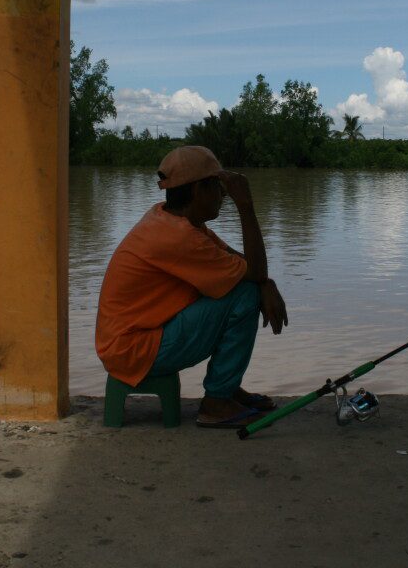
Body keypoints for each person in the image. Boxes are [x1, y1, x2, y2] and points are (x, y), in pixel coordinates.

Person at [95, 145, 289, 428]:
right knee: (246, 294)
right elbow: (254, 272)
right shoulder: (178, 237)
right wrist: (245, 206)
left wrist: (266, 282)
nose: (224, 196)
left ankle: (227, 387)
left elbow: (246, 266)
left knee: (246, 286)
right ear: (199, 191)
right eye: (219, 188)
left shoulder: (172, 221)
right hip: (133, 350)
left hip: (132, 342)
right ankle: (216, 403)